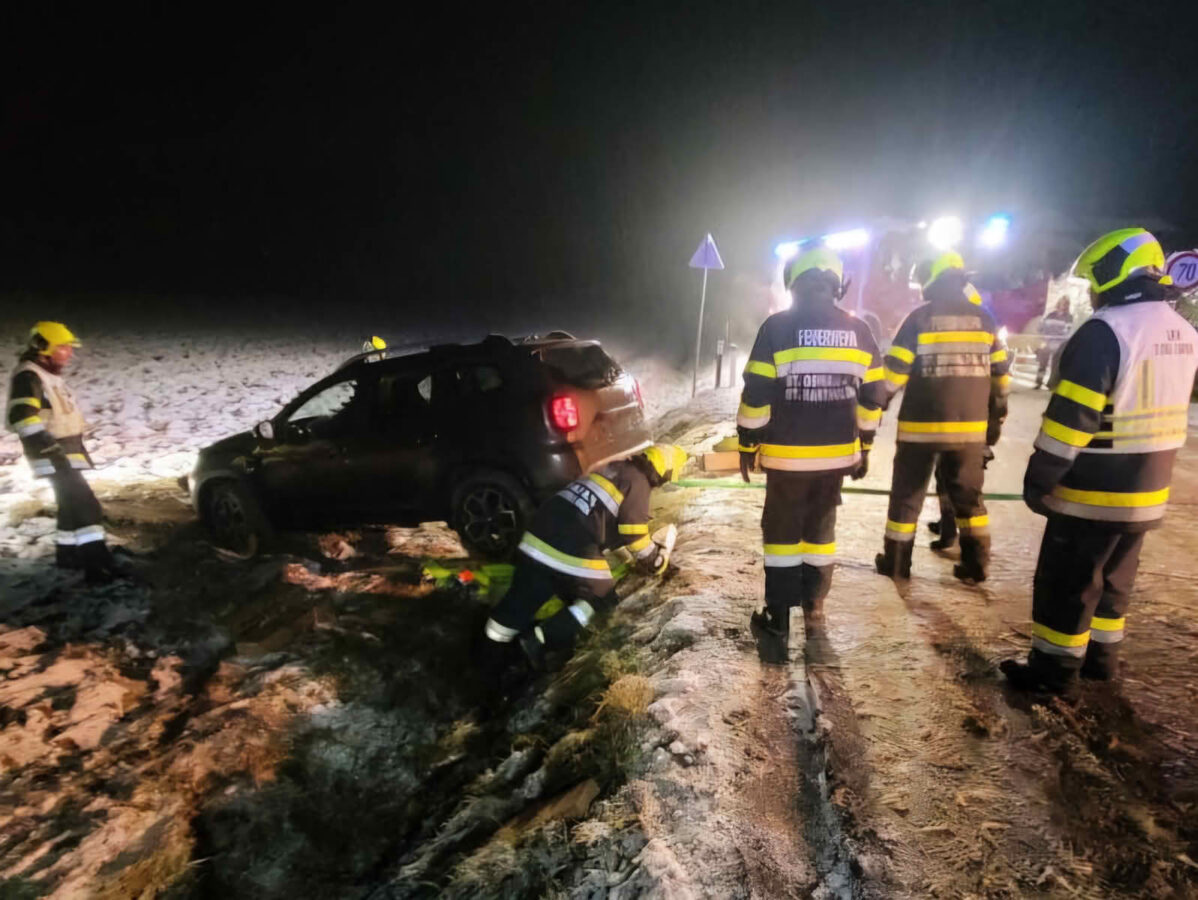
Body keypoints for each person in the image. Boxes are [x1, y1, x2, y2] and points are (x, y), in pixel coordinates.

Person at [1001, 228, 1197, 696]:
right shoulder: (1183, 330)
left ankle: (1054, 673)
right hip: (1149, 490)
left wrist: (1041, 477)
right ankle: (1100, 661)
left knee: (1067, 581)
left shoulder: (1106, 331)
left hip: (1093, 491)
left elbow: (1072, 419)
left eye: (1094, 282)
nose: (1090, 292)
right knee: (1114, 581)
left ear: (1114, 274)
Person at [737, 247, 887, 662]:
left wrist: (748, 444)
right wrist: (866, 446)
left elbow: (757, 393)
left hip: (786, 458)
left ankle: (778, 622)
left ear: (794, 281)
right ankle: (816, 614)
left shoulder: (777, 327)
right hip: (836, 459)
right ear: (836, 284)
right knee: (820, 533)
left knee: (782, 535)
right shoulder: (859, 331)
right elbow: (874, 396)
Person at [482, 444, 686, 669]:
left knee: (529, 593)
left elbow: (600, 515)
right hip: (568, 544)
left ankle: (492, 650)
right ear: (664, 472)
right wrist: (655, 561)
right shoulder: (637, 482)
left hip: (535, 538)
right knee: (602, 597)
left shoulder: (614, 468)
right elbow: (634, 535)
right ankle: (540, 640)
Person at [875, 251, 1011, 582]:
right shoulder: (985, 319)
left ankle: (897, 564)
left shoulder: (920, 319)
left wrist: (875, 405)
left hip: (920, 430)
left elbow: (893, 375)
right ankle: (976, 564)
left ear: (930, 280)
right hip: (969, 431)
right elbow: (1002, 378)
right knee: (969, 499)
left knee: (907, 497)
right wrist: (995, 421)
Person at [6, 322, 121, 583]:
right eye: (63, 347)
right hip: (53, 453)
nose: (69, 352)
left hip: (64, 451)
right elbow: (21, 416)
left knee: (70, 506)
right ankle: (98, 566)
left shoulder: (46, 375)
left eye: (69, 347)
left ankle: (67, 556)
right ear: (43, 348)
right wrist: (48, 447)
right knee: (86, 506)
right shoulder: (29, 376)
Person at [1035, 296, 1074, 389]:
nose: (1063, 305)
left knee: (1055, 365)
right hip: (1047, 342)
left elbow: (1067, 331)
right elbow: (1042, 327)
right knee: (1042, 363)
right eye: (1061, 302)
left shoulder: (1069, 317)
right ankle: (1039, 382)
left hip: (1058, 344)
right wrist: (1042, 334)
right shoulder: (1050, 315)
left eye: (1065, 303)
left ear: (1067, 305)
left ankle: (1051, 384)